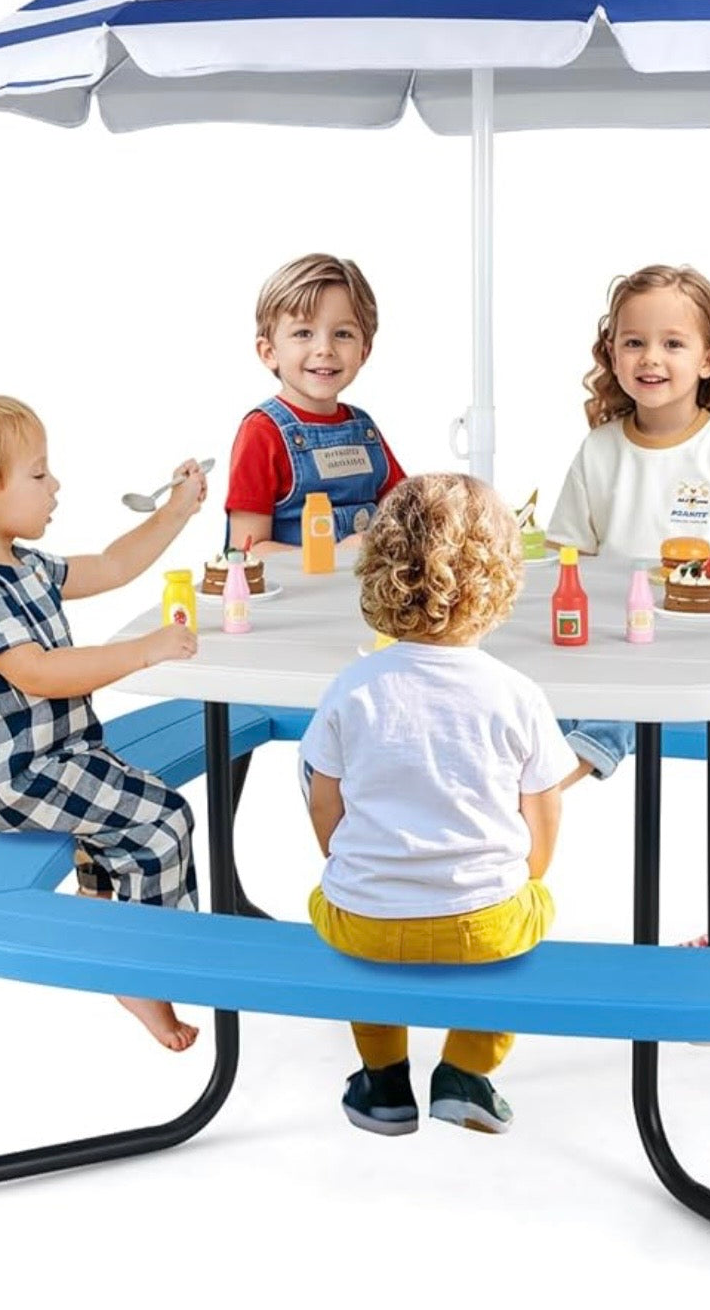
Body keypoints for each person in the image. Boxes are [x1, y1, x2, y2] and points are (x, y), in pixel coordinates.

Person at [0, 393, 208, 1051]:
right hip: (21, 778)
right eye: (38, 474)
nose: (55, 484)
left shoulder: (24, 567)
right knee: (164, 821)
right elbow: (38, 673)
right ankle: (144, 970)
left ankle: (104, 920)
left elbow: (114, 565)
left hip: (65, 756)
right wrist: (143, 651)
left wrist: (177, 509)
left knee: (128, 807)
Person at [300, 474, 576, 1136]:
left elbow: (322, 800)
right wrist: (527, 877)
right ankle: (466, 1072)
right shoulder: (517, 694)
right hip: (483, 923)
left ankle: (383, 1082)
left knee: (340, 912)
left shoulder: (352, 687)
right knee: (532, 918)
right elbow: (544, 810)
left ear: (379, 571)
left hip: (365, 919)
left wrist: (350, 863)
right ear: (501, 579)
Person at [547, 263, 710, 787]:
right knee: (531, 690)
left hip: (689, 648)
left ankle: (556, 780)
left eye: (673, 344)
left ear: (709, 359)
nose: (651, 358)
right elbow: (564, 554)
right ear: (612, 353)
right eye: (634, 342)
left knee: (620, 699)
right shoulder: (599, 449)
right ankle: (519, 778)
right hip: (605, 638)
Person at [225, 252, 406, 554]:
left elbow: (406, 512)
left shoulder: (364, 429)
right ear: (269, 352)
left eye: (343, 334)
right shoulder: (262, 432)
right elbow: (246, 550)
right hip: (293, 587)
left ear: (364, 351)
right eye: (303, 333)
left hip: (363, 584)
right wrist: (334, 557)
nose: (325, 349)